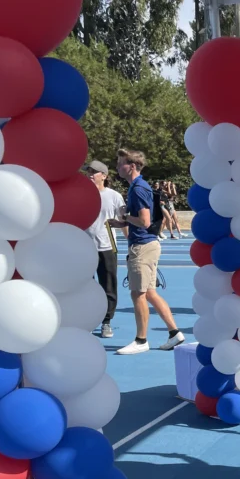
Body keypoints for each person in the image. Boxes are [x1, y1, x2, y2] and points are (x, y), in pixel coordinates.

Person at [115, 149, 185, 355]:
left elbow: (144, 222)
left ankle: (141, 340)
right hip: (147, 245)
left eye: (121, 164)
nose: (118, 168)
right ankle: (175, 334)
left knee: (138, 294)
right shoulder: (139, 186)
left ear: (133, 166)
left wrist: (125, 218)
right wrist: (122, 220)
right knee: (151, 292)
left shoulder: (137, 189)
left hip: (143, 247)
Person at [84, 160, 126, 339]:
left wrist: (131, 243)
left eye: (94, 172)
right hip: (84, 247)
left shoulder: (114, 196)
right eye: (89, 172)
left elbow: (124, 221)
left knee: (108, 286)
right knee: (84, 287)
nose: (90, 175)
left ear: (104, 176)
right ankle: (86, 320)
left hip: (107, 246)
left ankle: (106, 322)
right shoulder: (81, 193)